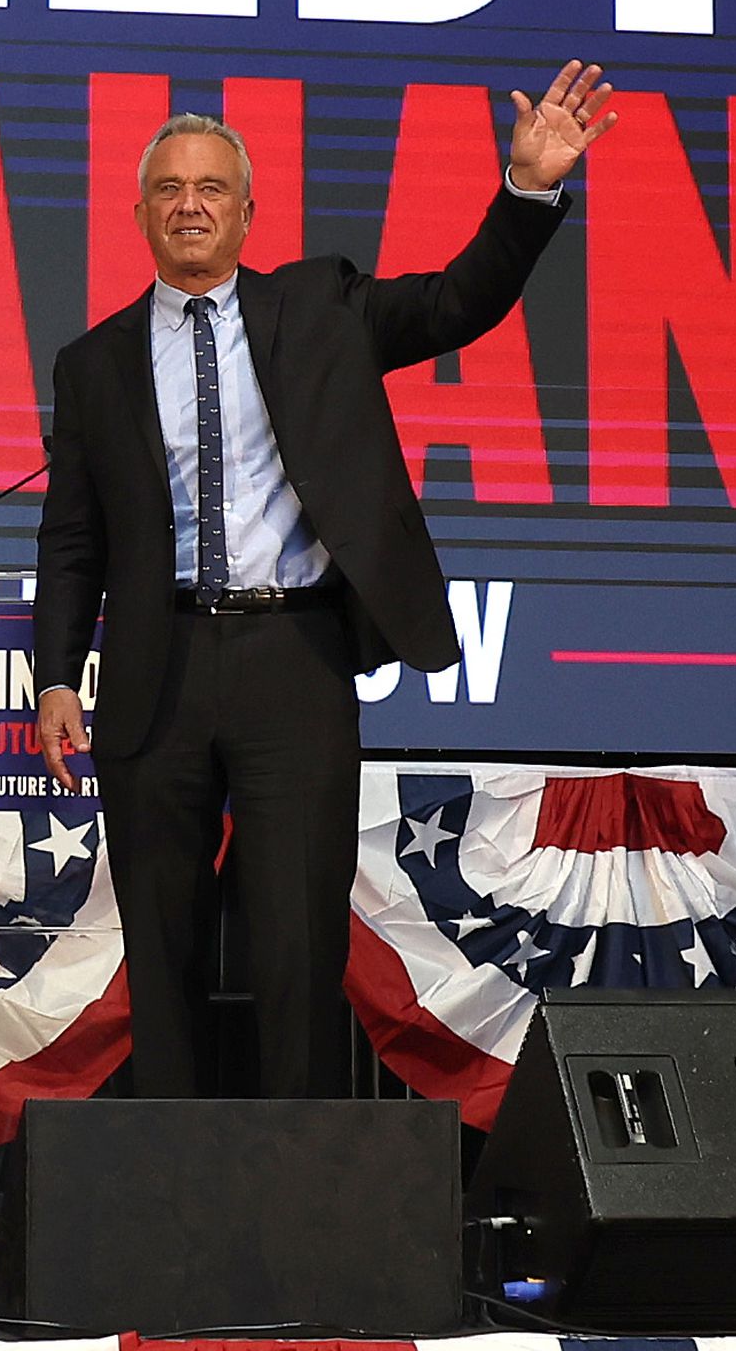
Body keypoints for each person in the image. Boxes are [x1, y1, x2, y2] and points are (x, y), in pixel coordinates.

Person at [32, 61, 616, 1100]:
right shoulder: (94, 364)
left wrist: (528, 191)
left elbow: (455, 303)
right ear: (139, 215)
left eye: (212, 188)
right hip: (153, 667)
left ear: (249, 211)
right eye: (169, 190)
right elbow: (72, 538)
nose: (190, 205)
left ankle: (295, 1191)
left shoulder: (321, 304)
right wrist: (55, 677)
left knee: (297, 946)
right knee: (159, 956)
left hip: (291, 659)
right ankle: (173, 1199)